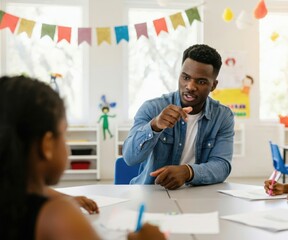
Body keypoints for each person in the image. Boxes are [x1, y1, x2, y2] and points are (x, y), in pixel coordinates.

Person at [0, 75, 166, 240]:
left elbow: (36, 190)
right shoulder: (58, 216)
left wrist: (69, 198)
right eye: (64, 134)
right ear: (47, 145)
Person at [122, 44, 235, 190]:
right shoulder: (153, 108)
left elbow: (222, 165)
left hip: (197, 195)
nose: (190, 86)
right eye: (186, 77)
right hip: (153, 193)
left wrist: (188, 172)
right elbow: (130, 158)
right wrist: (154, 126)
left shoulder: (223, 116)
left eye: (201, 81)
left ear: (213, 85)